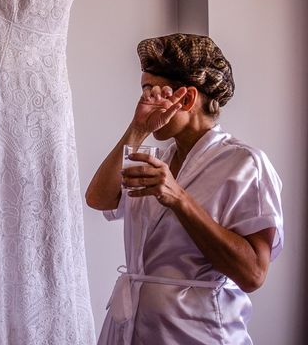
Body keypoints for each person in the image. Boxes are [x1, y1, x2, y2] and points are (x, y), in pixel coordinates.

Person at [85, 33, 283, 344]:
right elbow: (98, 198)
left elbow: (254, 274)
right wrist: (137, 130)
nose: (145, 101)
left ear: (187, 99)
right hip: (132, 327)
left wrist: (178, 198)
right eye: (143, 91)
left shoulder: (245, 165)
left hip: (197, 331)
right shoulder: (157, 160)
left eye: (153, 92)